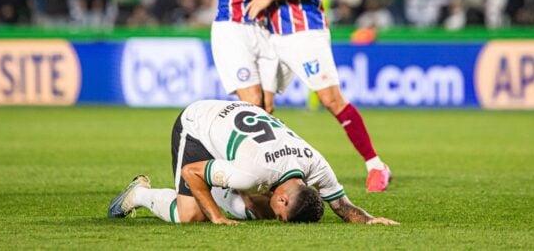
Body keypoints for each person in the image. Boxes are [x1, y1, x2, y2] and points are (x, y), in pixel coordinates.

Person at [243, 0, 391, 192]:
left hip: (304, 30)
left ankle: (376, 165)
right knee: (261, 107)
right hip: (267, 33)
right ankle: (273, 171)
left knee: (330, 99)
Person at [107, 100, 399, 225]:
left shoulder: (317, 165)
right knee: (191, 215)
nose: (278, 218)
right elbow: (191, 172)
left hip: (239, 128)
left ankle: (223, 192)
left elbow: (343, 207)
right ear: (282, 199)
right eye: (281, 215)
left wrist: (371, 220)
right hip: (199, 123)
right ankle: (138, 195)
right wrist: (217, 217)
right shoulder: (252, 173)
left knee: (256, 206)